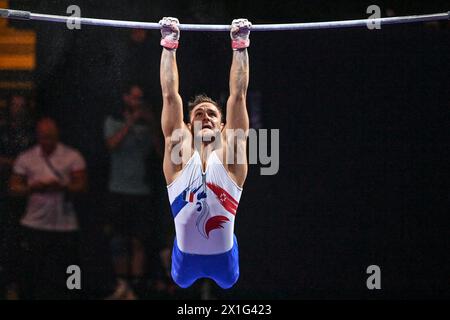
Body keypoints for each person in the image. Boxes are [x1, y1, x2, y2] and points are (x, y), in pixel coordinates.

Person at [159, 17, 251, 289]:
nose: (206, 117)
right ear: (188, 125)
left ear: (223, 125)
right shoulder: (179, 152)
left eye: (212, 114)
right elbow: (169, 95)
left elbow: (239, 96)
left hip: (224, 262)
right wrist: (169, 44)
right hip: (185, 262)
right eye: (198, 114)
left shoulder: (231, 155)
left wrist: (240, 45)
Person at [9, 117, 87, 299]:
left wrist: (62, 186)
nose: (47, 141)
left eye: (50, 137)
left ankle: (72, 296)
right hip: (34, 223)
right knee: (31, 269)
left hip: (65, 224)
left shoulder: (72, 156)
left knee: (71, 268)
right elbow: (13, 188)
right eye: (44, 137)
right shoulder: (26, 157)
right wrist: (33, 187)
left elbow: (82, 185)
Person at [103, 84, 163, 296]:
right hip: (118, 188)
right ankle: (122, 285)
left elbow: (160, 153)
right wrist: (130, 121)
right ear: (125, 98)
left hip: (141, 190)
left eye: (140, 99)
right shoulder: (113, 121)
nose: (137, 103)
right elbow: (111, 145)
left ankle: (135, 286)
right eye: (133, 98)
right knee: (119, 239)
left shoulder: (147, 126)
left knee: (138, 240)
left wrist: (152, 124)